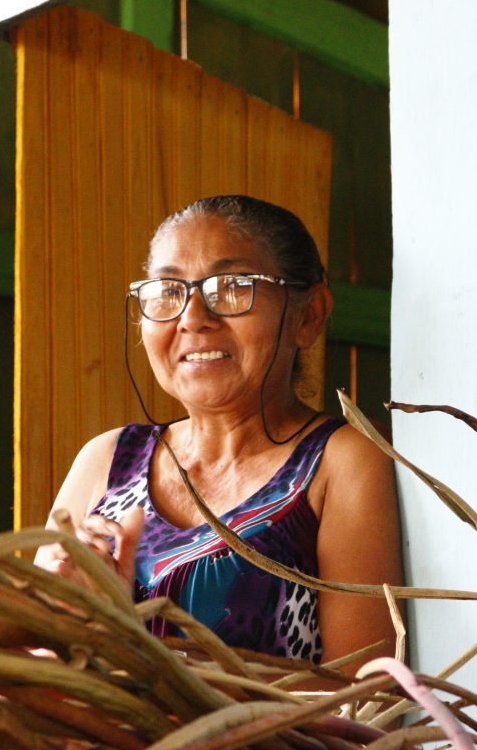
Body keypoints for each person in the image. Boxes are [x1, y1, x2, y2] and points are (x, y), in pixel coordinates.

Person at [36, 195, 403, 666]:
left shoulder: (339, 461)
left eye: (232, 287)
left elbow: (366, 699)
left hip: (262, 745)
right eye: (167, 291)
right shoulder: (108, 459)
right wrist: (67, 623)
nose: (192, 318)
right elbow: (24, 666)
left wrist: (129, 654)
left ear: (308, 316)